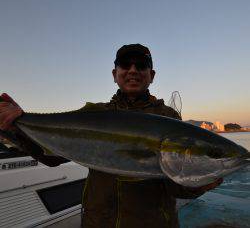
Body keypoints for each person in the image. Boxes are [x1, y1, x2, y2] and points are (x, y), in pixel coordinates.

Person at [0, 44, 222, 228]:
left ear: (151, 75)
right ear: (115, 74)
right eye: (125, 64)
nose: (133, 70)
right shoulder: (94, 114)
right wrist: (15, 126)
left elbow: (175, 183)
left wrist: (199, 182)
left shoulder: (167, 118)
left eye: (141, 65)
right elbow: (51, 157)